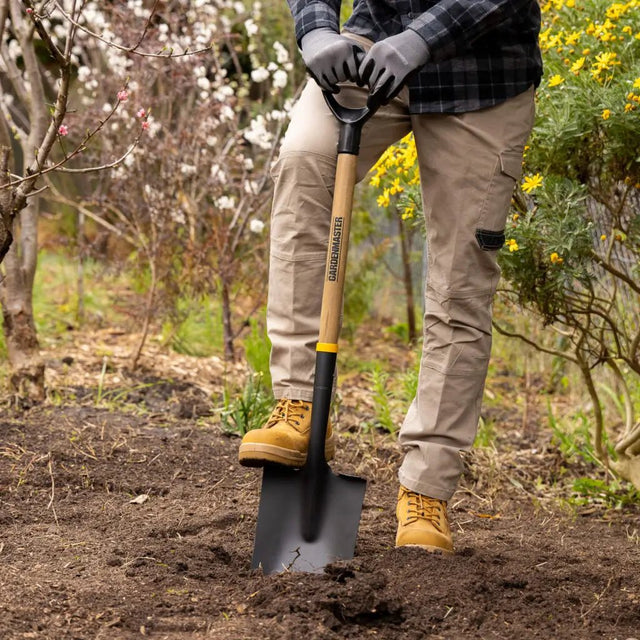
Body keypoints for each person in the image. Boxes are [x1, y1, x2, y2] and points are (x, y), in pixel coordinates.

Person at [239, 0, 542, 554]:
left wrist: (423, 38)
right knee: (306, 161)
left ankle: (426, 488)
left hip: (483, 75)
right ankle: (299, 404)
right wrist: (315, 29)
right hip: (369, 53)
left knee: (459, 281)